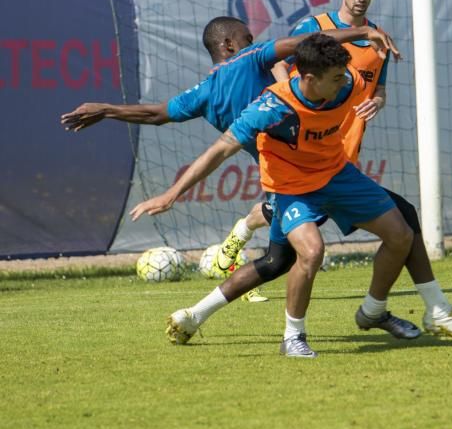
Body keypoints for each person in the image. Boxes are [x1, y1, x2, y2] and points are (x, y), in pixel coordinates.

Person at [132, 34, 452, 357]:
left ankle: (373, 311)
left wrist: (376, 85)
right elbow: (220, 150)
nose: (344, 82)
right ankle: (293, 337)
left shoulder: (344, 84)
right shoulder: (270, 107)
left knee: (400, 233)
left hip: (337, 175)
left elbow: (345, 70)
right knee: (308, 252)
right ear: (308, 78)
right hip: (291, 189)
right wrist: (171, 194)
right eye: (335, 77)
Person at [61, 16, 397, 302]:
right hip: (299, 169)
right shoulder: (250, 58)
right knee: (298, 246)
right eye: (247, 38)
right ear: (229, 44)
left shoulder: (204, 93)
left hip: (285, 171)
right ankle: (255, 263)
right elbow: (305, 42)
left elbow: (156, 114)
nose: (253, 41)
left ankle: (227, 262)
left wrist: (106, 110)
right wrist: (361, 32)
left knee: (281, 257)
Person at [273, 0, 452, 341]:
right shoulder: (314, 28)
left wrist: (380, 101)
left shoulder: (377, 39)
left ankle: (386, 310)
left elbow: (378, 89)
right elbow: (276, 65)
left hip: (341, 164)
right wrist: (289, 107)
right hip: (306, 164)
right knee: (277, 260)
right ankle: (398, 310)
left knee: (402, 222)